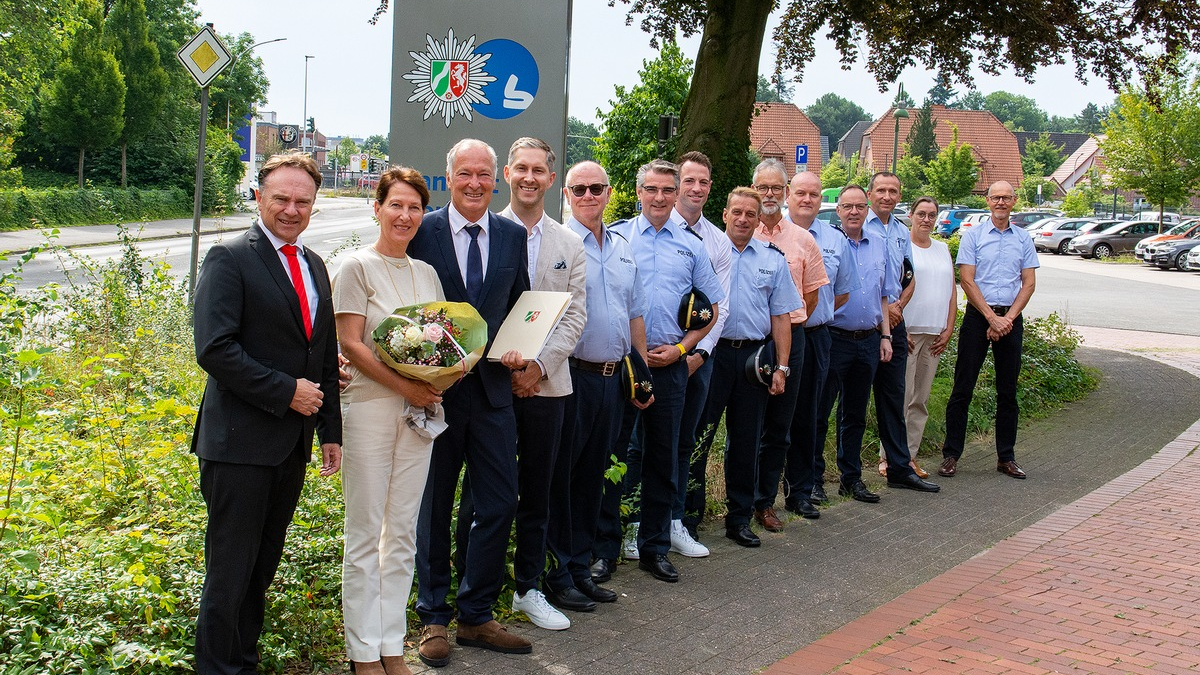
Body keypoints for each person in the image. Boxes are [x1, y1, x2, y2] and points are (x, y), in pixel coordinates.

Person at [191, 152, 342, 675]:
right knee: (229, 573)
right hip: (238, 444)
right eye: (281, 198)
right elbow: (214, 348)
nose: (292, 209)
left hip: (291, 444)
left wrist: (329, 429)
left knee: (260, 570)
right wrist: (286, 393)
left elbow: (321, 353)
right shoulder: (229, 257)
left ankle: (243, 663)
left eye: (303, 201)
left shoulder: (314, 264)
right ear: (259, 196)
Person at [410, 139, 531, 666]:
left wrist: (523, 350)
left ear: (495, 179)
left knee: (500, 502)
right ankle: (434, 616)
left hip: (493, 396)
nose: (476, 183)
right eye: (465, 174)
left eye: (484, 174)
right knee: (433, 506)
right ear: (449, 176)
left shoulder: (511, 235)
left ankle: (476, 615)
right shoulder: (423, 230)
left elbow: (521, 303)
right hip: (434, 394)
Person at [334, 167, 444, 675]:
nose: (405, 215)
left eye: (415, 207)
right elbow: (351, 344)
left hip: (419, 415)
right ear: (376, 207)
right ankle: (362, 654)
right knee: (365, 535)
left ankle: (392, 647)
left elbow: (445, 343)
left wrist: (444, 379)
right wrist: (408, 388)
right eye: (395, 205)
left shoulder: (426, 274)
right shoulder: (355, 267)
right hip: (369, 410)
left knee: (400, 533)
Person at [544, 160, 650, 607]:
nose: (589, 196)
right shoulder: (557, 245)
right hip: (570, 378)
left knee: (594, 478)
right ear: (566, 194)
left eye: (597, 189)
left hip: (613, 381)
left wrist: (641, 374)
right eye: (579, 189)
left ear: (610, 193)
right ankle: (556, 574)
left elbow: (634, 314)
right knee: (562, 481)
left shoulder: (624, 247)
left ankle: (581, 567)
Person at [611, 159, 723, 583]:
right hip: (623, 367)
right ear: (639, 192)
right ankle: (606, 548)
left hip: (670, 366)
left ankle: (654, 548)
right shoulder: (618, 238)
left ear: (676, 195)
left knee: (662, 459)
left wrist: (682, 348)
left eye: (666, 191)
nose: (659, 197)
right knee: (615, 455)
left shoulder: (691, 245)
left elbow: (712, 308)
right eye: (651, 190)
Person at [497, 138, 588, 630]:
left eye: (539, 170)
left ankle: (527, 589)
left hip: (548, 387)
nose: (530, 177)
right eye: (521, 169)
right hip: (490, 387)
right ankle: (479, 591)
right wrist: (506, 370)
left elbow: (575, 316)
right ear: (507, 174)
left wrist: (538, 368)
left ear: (552, 180)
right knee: (485, 494)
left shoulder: (569, 244)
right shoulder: (485, 233)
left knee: (539, 492)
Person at [818, 186, 939, 506]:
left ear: (866, 208)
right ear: (839, 210)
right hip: (835, 339)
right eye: (848, 207)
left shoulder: (879, 247)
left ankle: (851, 479)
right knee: (821, 412)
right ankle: (812, 480)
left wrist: (886, 336)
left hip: (869, 340)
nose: (855, 212)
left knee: (855, 414)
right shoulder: (828, 244)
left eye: (860, 206)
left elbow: (886, 296)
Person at [693, 187, 801, 547]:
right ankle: (688, 519)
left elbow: (782, 316)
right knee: (699, 437)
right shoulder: (706, 253)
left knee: (746, 441)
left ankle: (738, 519)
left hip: (753, 360)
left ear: (759, 220)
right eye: (736, 212)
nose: (742, 219)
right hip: (711, 354)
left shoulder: (772, 259)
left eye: (750, 214)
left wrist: (782, 368)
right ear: (724, 214)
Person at [939, 181, 1038, 480]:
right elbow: (967, 280)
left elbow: (1029, 282)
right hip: (978, 317)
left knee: (1007, 391)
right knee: (962, 388)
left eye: (1006, 198)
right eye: (996, 197)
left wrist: (1007, 318)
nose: (1001, 203)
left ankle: (1005, 457)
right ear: (988, 201)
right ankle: (951, 455)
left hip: (1010, 317)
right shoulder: (973, 236)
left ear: (1014, 201)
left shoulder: (1023, 238)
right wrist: (990, 318)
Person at [750, 160, 827, 531]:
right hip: (747, 342)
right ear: (753, 189)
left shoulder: (802, 240)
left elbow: (810, 298)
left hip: (789, 341)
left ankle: (765, 503)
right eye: (762, 187)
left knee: (780, 425)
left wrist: (787, 325)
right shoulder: (736, 234)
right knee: (745, 424)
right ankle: (738, 501)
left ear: (784, 193)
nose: (768, 194)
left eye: (775, 189)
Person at [780, 173, 858, 514]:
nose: (807, 199)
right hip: (775, 338)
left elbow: (840, 292)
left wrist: (813, 315)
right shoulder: (768, 233)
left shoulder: (835, 240)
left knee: (810, 414)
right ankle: (764, 491)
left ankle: (804, 487)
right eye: (801, 193)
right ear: (788, 195)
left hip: (815, 336)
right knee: (771, 417)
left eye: (814, 193)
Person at [671, 151, 731, 553]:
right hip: (653, 357)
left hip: (697, 361)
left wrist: (699, 353)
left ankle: (675, 522)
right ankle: (632, 524)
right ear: (677, 184)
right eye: (689, 181)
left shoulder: (718, 241)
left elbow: (720, 305)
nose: (696, 189)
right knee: (641, 445)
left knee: (684, 442)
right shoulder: (644, 230)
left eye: (703, 182)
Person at [864, 172, 938, 493]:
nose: (887, 196)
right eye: (881, 190)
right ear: (870, 193)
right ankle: (848, 473)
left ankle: (898, 467)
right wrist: (885, 310)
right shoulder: (857, 225)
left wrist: (897, 309)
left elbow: (908, 277)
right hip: (866, 324)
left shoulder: (900, 231)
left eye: (893, 191)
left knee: (894, 397)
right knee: (853, 401)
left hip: (895, 323)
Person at [897, 197, 956, 477]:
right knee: (901, 397)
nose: (926, 220)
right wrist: (899, 328)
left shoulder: (943, 249)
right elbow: (893, 289)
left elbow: (952, 291)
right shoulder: (902, 247)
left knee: (920, 399)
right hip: (908, 333)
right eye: (921, 214)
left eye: (932, 215)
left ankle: (910, 457)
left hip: (935, 334)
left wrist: (949, 327)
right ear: (911, 215)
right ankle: (890, 457)